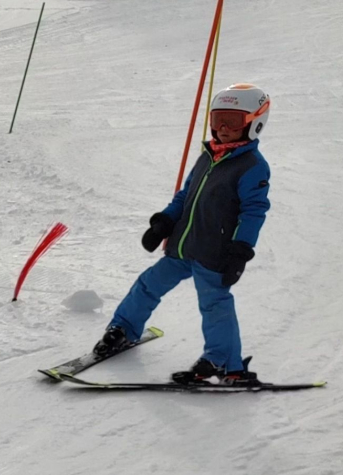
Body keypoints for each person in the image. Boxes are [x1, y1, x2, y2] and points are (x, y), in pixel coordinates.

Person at [93, 83, 272, 386]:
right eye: (218, 120)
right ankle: (123, 329)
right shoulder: (207, 156)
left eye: (233, 121)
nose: (224, 128)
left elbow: (254, 211)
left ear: (255, 123)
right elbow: (185, 195)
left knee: (214, 303)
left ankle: (224, 363)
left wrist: (240, 249)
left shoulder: (252, 166)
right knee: (148, 284)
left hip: (215, 252)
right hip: (182, 246)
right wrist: (164, 222)